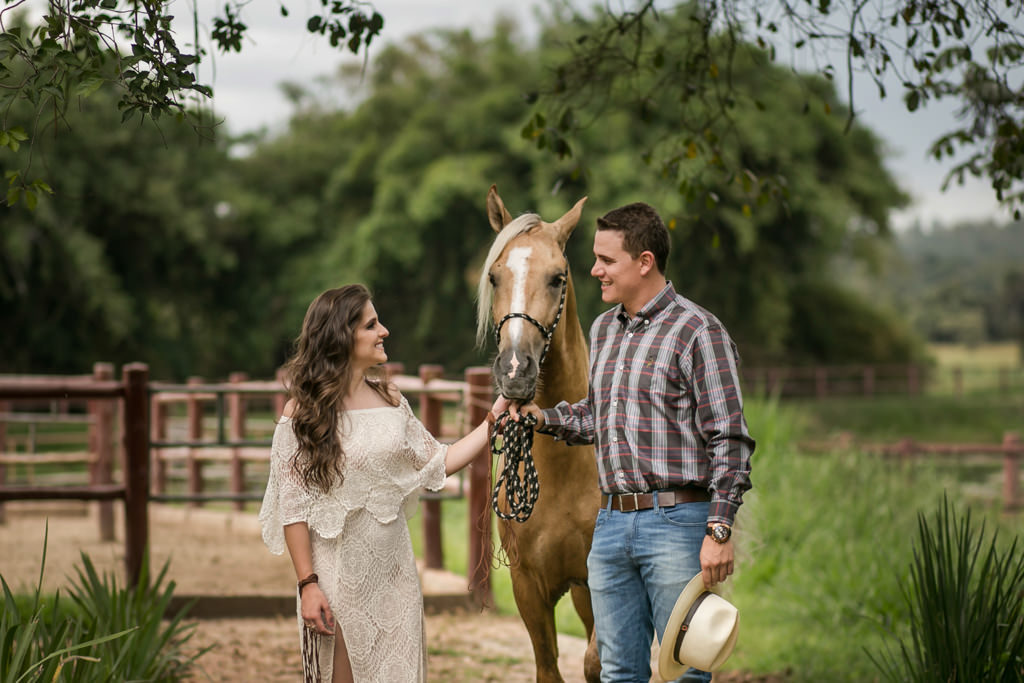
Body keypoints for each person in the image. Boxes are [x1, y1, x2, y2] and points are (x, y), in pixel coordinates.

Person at [506, 202, 755, 683]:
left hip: (678, 524)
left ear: (644, 262)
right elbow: (599, 416)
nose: (594, 270)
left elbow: (730, 437)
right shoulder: (604, 330)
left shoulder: (698, 331)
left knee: (685, 670)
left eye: (606, 260)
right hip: (612, 525)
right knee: (618, 671)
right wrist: (544, 419)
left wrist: (718, 530)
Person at [259, 284, 507, 683]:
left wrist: (495, 416)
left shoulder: (390, 397)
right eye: (372, 325)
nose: (384, 331)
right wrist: (308, 585)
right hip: (335, 581)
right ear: (342, 335)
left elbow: (439, 462)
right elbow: (293, 509)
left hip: (395, 581)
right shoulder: (302, 414)